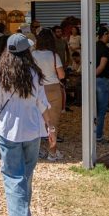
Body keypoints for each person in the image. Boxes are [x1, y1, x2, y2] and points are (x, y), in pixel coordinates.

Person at [0, 33, 54, 216]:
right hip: (32, 128)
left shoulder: (0, 73)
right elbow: (42, 103)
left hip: (8, 128)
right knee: (25, 173)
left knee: (12, 175)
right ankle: (24, 215)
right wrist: (50, 127)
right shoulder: (35, 73)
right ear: (27, 51)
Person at [31, 29, 65, 161]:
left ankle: (36, 150)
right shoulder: (54, 55)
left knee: (36, 121)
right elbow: (61, 75)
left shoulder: (32, 55)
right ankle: (52, 152)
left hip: (37, 89)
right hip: (53, 89)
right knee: (53, 122)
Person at [94, 26, 109, 143]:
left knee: (94, 109)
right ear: (105, 34)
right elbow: (101, 67)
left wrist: (90, 79)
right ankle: (98, 136)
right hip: (102, 81)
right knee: (101, 111)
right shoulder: (105, 49)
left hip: (94, 81)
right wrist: (94, 76)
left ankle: (92, 134)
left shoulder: (93, 46)